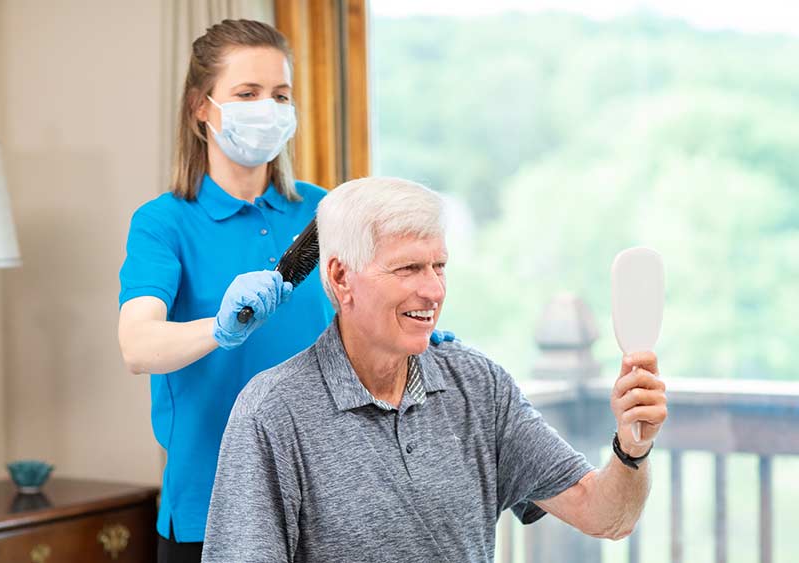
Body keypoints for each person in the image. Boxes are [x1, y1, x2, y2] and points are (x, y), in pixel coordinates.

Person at [117, 21, 453, 563]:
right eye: (247, 94)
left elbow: (359, 322)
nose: (267, 109)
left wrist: (402, 333)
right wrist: (221, 329)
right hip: (211, 505)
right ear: (201, 107)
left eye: (281, 95)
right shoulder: (163, 224)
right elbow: (138, 346)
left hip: (329, 502)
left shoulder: (327, 214)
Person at [202, 177, 669, 563]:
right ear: (342, 278)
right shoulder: (272, 414)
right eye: (408, 269)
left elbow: (607, 516)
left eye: (439, 266)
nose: (433, 290)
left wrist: (632, 447)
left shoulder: (479, 386)